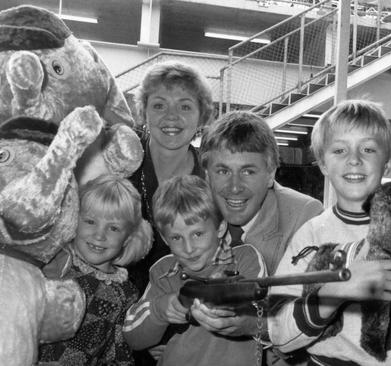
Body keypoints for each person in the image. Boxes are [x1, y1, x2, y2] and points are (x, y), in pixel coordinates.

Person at [267, 99, 391, 365]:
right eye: (339, 150)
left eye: (368, 149)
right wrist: (336, 292)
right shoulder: (311, 234)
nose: (354, 160)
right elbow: (278, 331)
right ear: (323, 164)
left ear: (387, 163)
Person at [198, 110, 324, 365]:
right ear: (206, 174)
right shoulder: (192, 211)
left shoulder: (306, 217)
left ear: (270, 174)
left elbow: (314, 319)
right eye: (222, 170)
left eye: (247, 171)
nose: (234, 187)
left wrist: (256, 325)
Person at [122, 175, 268, 366]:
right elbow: (133, 338)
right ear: (164, 239)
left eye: (198, 234)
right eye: (176, 237)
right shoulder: (163, 272)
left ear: (221, 227)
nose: (189, 248)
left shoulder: (245, 259)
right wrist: (160, 311)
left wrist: (225, 302)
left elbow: (265, 320)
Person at [38, 174, 148, 366]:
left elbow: (118, 353)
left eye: (113, 228)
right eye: (90, 221)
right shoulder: (54, 264)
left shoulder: (126, 294)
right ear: (74, 220)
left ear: (128, 238)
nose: (99, 235)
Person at [127, 61, 214, 296]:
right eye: (159, 105)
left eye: (185, 107)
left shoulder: (211, 180)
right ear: (143, 112)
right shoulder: (120, 161)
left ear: (201, 116)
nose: (171, 117)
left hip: (181, 309)